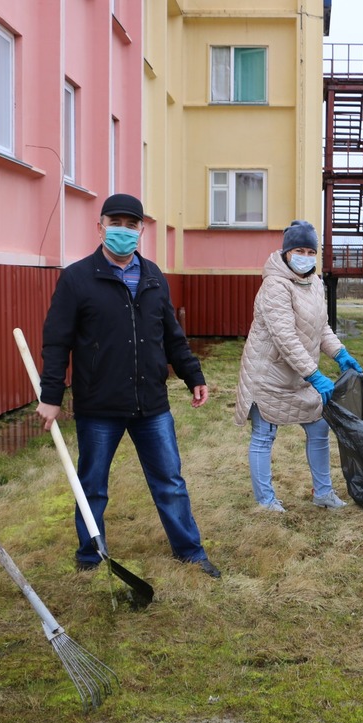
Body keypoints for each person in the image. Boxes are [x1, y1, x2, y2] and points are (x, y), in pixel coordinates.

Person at [37, 193, 220, 579]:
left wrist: (193, 376)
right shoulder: (77, 278)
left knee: (170, 482)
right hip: (99, 406)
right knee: (92, 487)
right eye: (114, 222)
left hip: (151, 404)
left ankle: (190, 552)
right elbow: (57, 342)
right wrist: (51, 396)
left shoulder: (153, 276)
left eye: (130, 223)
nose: (122, 230)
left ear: (141, 230)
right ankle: (91, 556)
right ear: (99, 226)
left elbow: (171, 335)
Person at [233, 220, 363, 512]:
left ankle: (324, 493)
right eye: (298, 250)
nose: (305, 255)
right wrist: (314, 374)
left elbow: (320, 328)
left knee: (319, 427)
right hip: (266, 375)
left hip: (297, 377)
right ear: (287, 252)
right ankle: (266, 501)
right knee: (264, 435)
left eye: (310, 250)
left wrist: (340, 354)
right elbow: (285, 337)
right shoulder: (274, 286)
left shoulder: (315, 283)